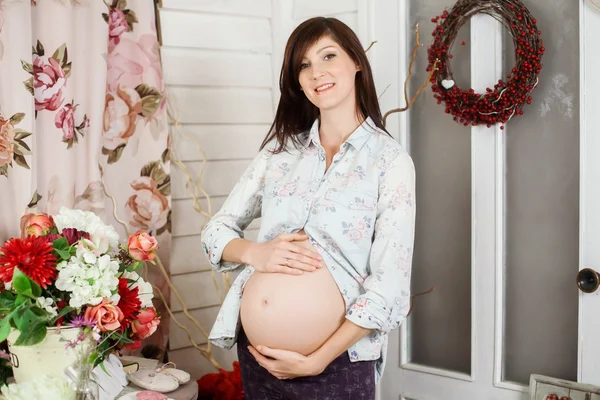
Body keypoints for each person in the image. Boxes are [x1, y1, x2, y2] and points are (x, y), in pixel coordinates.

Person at [201, 16, 415, 399]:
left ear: (356, 62)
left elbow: (390, 286)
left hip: (336, 364)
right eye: (304, 65)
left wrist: (318, 359)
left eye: (328, 56)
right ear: (297, 81)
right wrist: (257, 254)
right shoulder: (279, 152)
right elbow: (216, 232)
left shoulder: (389, 161)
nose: (317, 72)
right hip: (258, 357)